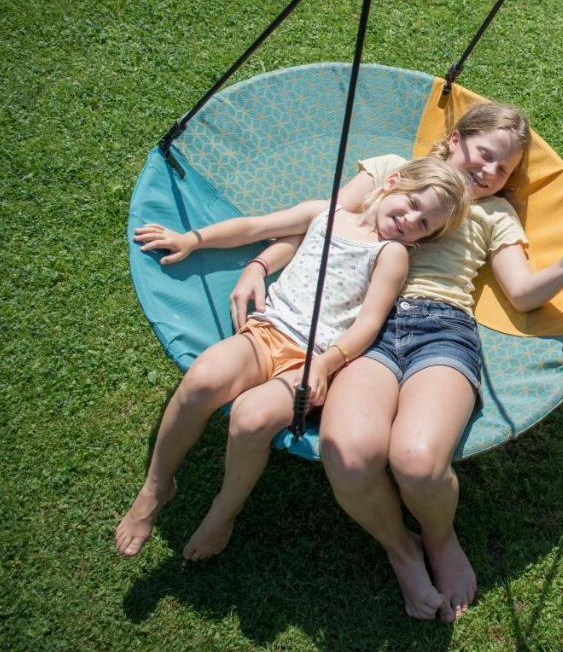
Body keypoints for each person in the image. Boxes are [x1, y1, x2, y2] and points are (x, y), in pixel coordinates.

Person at [232, 102, 563, 621]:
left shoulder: (495, 213)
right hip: (365, 328)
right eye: (485, 155)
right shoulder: (393, 172)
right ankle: (400, 547)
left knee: (416, 460)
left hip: (441, 328)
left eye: (505, 170)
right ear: (454, 139)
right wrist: (259, 263)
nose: (491, 173)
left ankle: (440, 537)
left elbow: (521, 293)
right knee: (348, 451)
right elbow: (323, 227)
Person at [115, 157, 470, 561]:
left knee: (250, 418)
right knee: (202, 378)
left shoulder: (391, 255)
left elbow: (368, 324)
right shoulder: (325, 213)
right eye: (411, 204)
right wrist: (194, 240)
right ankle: (157, 485)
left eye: (424, 224)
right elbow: (256, 227)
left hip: (311, 360)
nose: (410, 220)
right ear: (393, 182)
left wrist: (324, 365)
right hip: (266, 333)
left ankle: (224, 510)